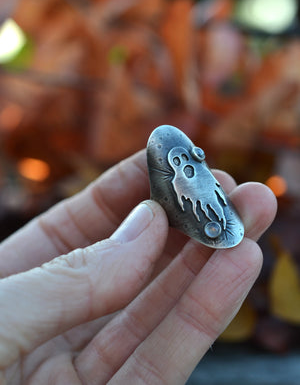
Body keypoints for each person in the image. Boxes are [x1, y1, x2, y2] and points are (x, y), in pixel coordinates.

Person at [0, 149, 277, 384]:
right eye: (178, 161)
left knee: (217, 206)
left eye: (184, 160)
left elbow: (207, 192)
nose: (182, 165)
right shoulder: (177, 178)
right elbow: (183, 199)